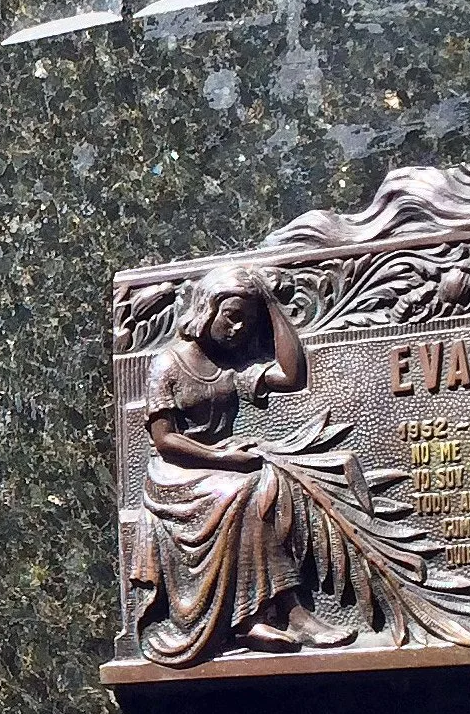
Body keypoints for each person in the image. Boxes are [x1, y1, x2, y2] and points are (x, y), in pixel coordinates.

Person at [132, 262, 357, 662]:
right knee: (243, 490)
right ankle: (267, 617)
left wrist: (270, 305)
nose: (238, 329)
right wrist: (221, 457)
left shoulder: (230, 367)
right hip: (176, 472)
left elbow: (292, 375)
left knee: (272, 480)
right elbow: (165, 440)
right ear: (207, 309)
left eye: (247, 322)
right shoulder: (168, 364)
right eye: (232, 316)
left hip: (219, 463)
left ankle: (279, 613)